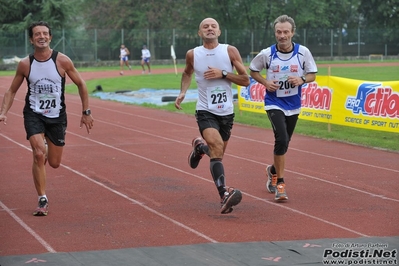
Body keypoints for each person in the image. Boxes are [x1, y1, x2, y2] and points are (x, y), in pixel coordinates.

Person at [0, 21, 94, 216]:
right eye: (37, 34)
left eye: (45, 34)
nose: (41, 37)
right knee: (38, 153)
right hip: (33, 114)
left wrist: (86, 112)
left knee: (54, 162)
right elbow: (11, 91)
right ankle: (42, 198)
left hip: (57, 116)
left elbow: (82, 84)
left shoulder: (62, 61)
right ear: (31, 39)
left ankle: (47, 144)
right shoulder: (26, 64)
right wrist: (3, 112)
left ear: (50, 37)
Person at [174, 18, 250, 214]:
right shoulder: (193, 54)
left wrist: (223, 73)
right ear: (200, 33)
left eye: (213, 26)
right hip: (205, 110)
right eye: (205, 27)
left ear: (219, 31)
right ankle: (224, 194)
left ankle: (200, 148)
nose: (209, 29)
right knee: (216, 147)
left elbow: (245, 80)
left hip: (226, 112)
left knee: (217, 153)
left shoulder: (229, 51)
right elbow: (187, 73)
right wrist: (183, 92)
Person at [249, 14, 317, 201]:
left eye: (286, 32)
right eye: (279, 32)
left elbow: (312, 75)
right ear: (275, 33)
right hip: (274, 102)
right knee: (281, 137)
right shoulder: (267, 54)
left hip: (293, 104)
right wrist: (265, 82)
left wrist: (301, 79)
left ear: (292, 32)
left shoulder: (303, 52)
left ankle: (271, 169)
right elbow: (253, 70)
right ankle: (280, 183)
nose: (282, 35)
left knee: (285, 144)